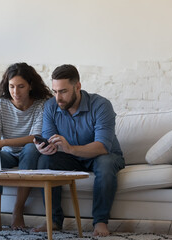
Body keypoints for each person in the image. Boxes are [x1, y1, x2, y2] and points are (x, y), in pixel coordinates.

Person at [33, 64, 125, 237]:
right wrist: (44, 148)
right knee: (45, 161)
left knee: (105, 164)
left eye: (63, 91)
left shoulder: (101, 105)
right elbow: (50, 139)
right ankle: (53, 220)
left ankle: (100, 222)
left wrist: (71, 149)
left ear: (78, 87)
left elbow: (103, 146)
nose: (58, 97)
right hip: (70, 157)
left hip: (102, 155)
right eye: (54, 91)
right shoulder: (51, 106)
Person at [0, 62, 52, 232]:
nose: (15, 92)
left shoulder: (41, 104)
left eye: (21, 86)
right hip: (8, 154)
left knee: (30, 149)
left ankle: (18, 211)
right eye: (12, 86)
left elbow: (35, 138)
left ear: (30, 86)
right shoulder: (1, 104)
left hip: (29, 152)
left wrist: (4, 142)